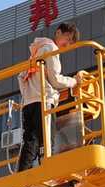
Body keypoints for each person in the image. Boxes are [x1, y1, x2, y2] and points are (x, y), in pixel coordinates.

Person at [17, 22, 80, 172]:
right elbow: (55, 80)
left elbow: (21, 76)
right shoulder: (51, 49)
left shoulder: (35, 52)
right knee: (46, 140)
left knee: (31, 139)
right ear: (58, 32)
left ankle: (22, 173)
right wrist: (74, 81)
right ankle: (47, 171)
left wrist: (28, 95)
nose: (67, 44)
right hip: (43, 101)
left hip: (29, 102)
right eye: (67, 38)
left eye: (70, 42)